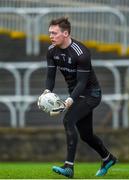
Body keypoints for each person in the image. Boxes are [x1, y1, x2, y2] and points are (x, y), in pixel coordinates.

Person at [40, 17, 117, 178]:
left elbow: (82, 83)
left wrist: (70, 100)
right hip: (76, 94)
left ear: (66, 33)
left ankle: (69, 167)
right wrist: (47, 91)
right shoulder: (51, 51)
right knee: (86, 135)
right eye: (49, 33)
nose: (51, 36)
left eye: (54, 33)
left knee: (68, 120)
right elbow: (50, 77)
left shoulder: (81, 52)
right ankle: (108, 158)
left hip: (91, 94)